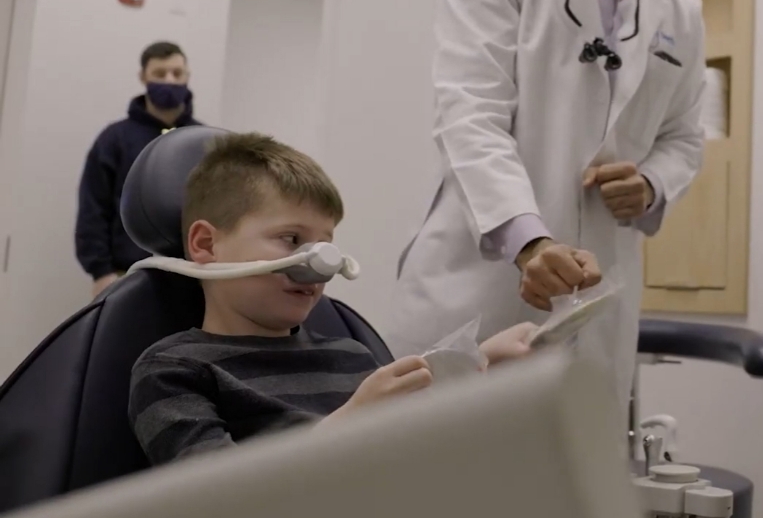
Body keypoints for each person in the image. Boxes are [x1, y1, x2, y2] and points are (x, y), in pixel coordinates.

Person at [383, 0, 706, 407]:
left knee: (565, 484)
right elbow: (469, 116)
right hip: (479, 287)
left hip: (598, 291)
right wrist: (529, 242)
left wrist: (653, 184)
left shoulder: (680, 7)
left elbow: (685, 137)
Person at [127, 133, 537, 466]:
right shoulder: (174, 371)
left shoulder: (351, 354)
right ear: (206, 244)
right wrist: (349, 426)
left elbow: (416, 450)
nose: (322, 265)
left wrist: (480, 364)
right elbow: (215, 501)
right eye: (291, 239)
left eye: (326, 244)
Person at [77, 41, 200, 297]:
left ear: (187, 77)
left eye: (177, 74)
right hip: (126, 275)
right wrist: (101, 272)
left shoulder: (202, 140)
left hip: (193, 275)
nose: (169, 80)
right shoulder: (114, 139)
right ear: (143, 77)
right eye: (159, 73)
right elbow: (93, 208)